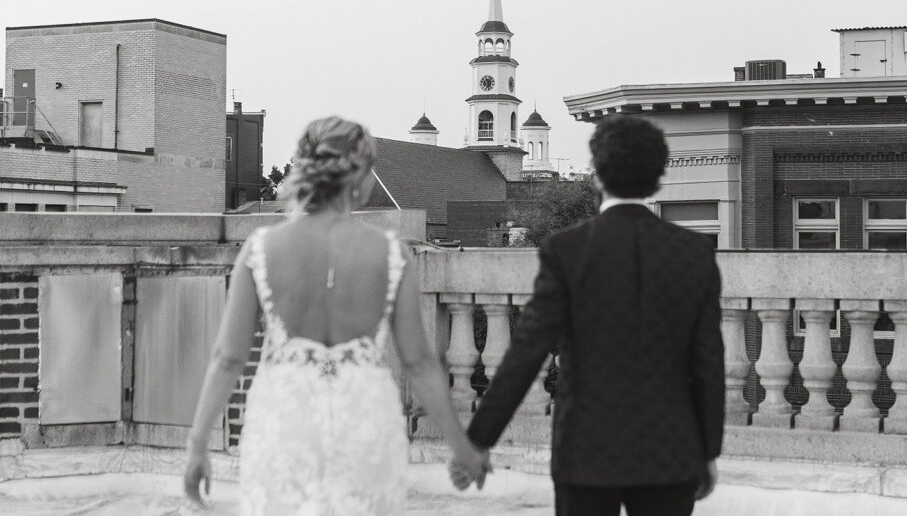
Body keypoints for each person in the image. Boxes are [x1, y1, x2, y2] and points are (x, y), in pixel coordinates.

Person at [184, 116, 489, 513]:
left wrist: (197, 447)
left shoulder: (261, 249)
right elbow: (419, 362)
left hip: (285, 422)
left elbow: (228, 358)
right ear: (358, 175)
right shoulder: (390, 253)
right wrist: (461, 447)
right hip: (363, 424)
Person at [459, 115, 725, 516]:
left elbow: (525, 354)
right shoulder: (695, 254)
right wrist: (707, 451)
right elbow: (708, 365)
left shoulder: (566, 251)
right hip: (671, 451)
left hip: (585, 450)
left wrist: (478, 440)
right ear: (658, 178)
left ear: (597, 174)